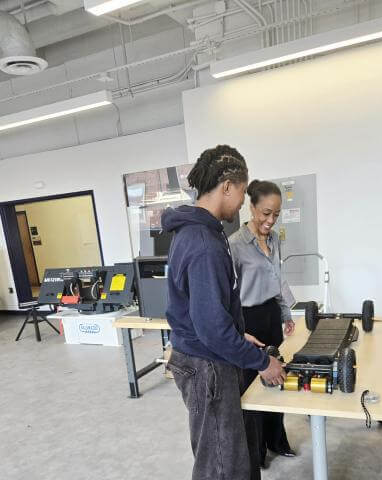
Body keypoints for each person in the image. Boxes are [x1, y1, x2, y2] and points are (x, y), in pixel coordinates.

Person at [161, 146, 286, 480]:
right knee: (221, 464)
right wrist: (262, 362)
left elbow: (201, 309)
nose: (243, 202)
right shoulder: (204, 243)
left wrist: (236, 332)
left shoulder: (197, 234)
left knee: (229, 454)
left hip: (202, 356)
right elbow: (212, 330)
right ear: (227, 186)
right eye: (243, 193)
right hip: (207, 366)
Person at [229, 179, 296, 468]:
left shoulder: (273, 239)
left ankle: (277, 441)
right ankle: (255, 454)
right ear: (252, 206)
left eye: (276, 215)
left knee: (276, 378)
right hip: (247, 320)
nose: (270, 220)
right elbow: (228, 293)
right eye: (266, 213)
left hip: (270, 315)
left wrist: (286, 313)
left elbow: (277, 278)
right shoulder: (234, 245)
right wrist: (236, 330)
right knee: (251, 391)